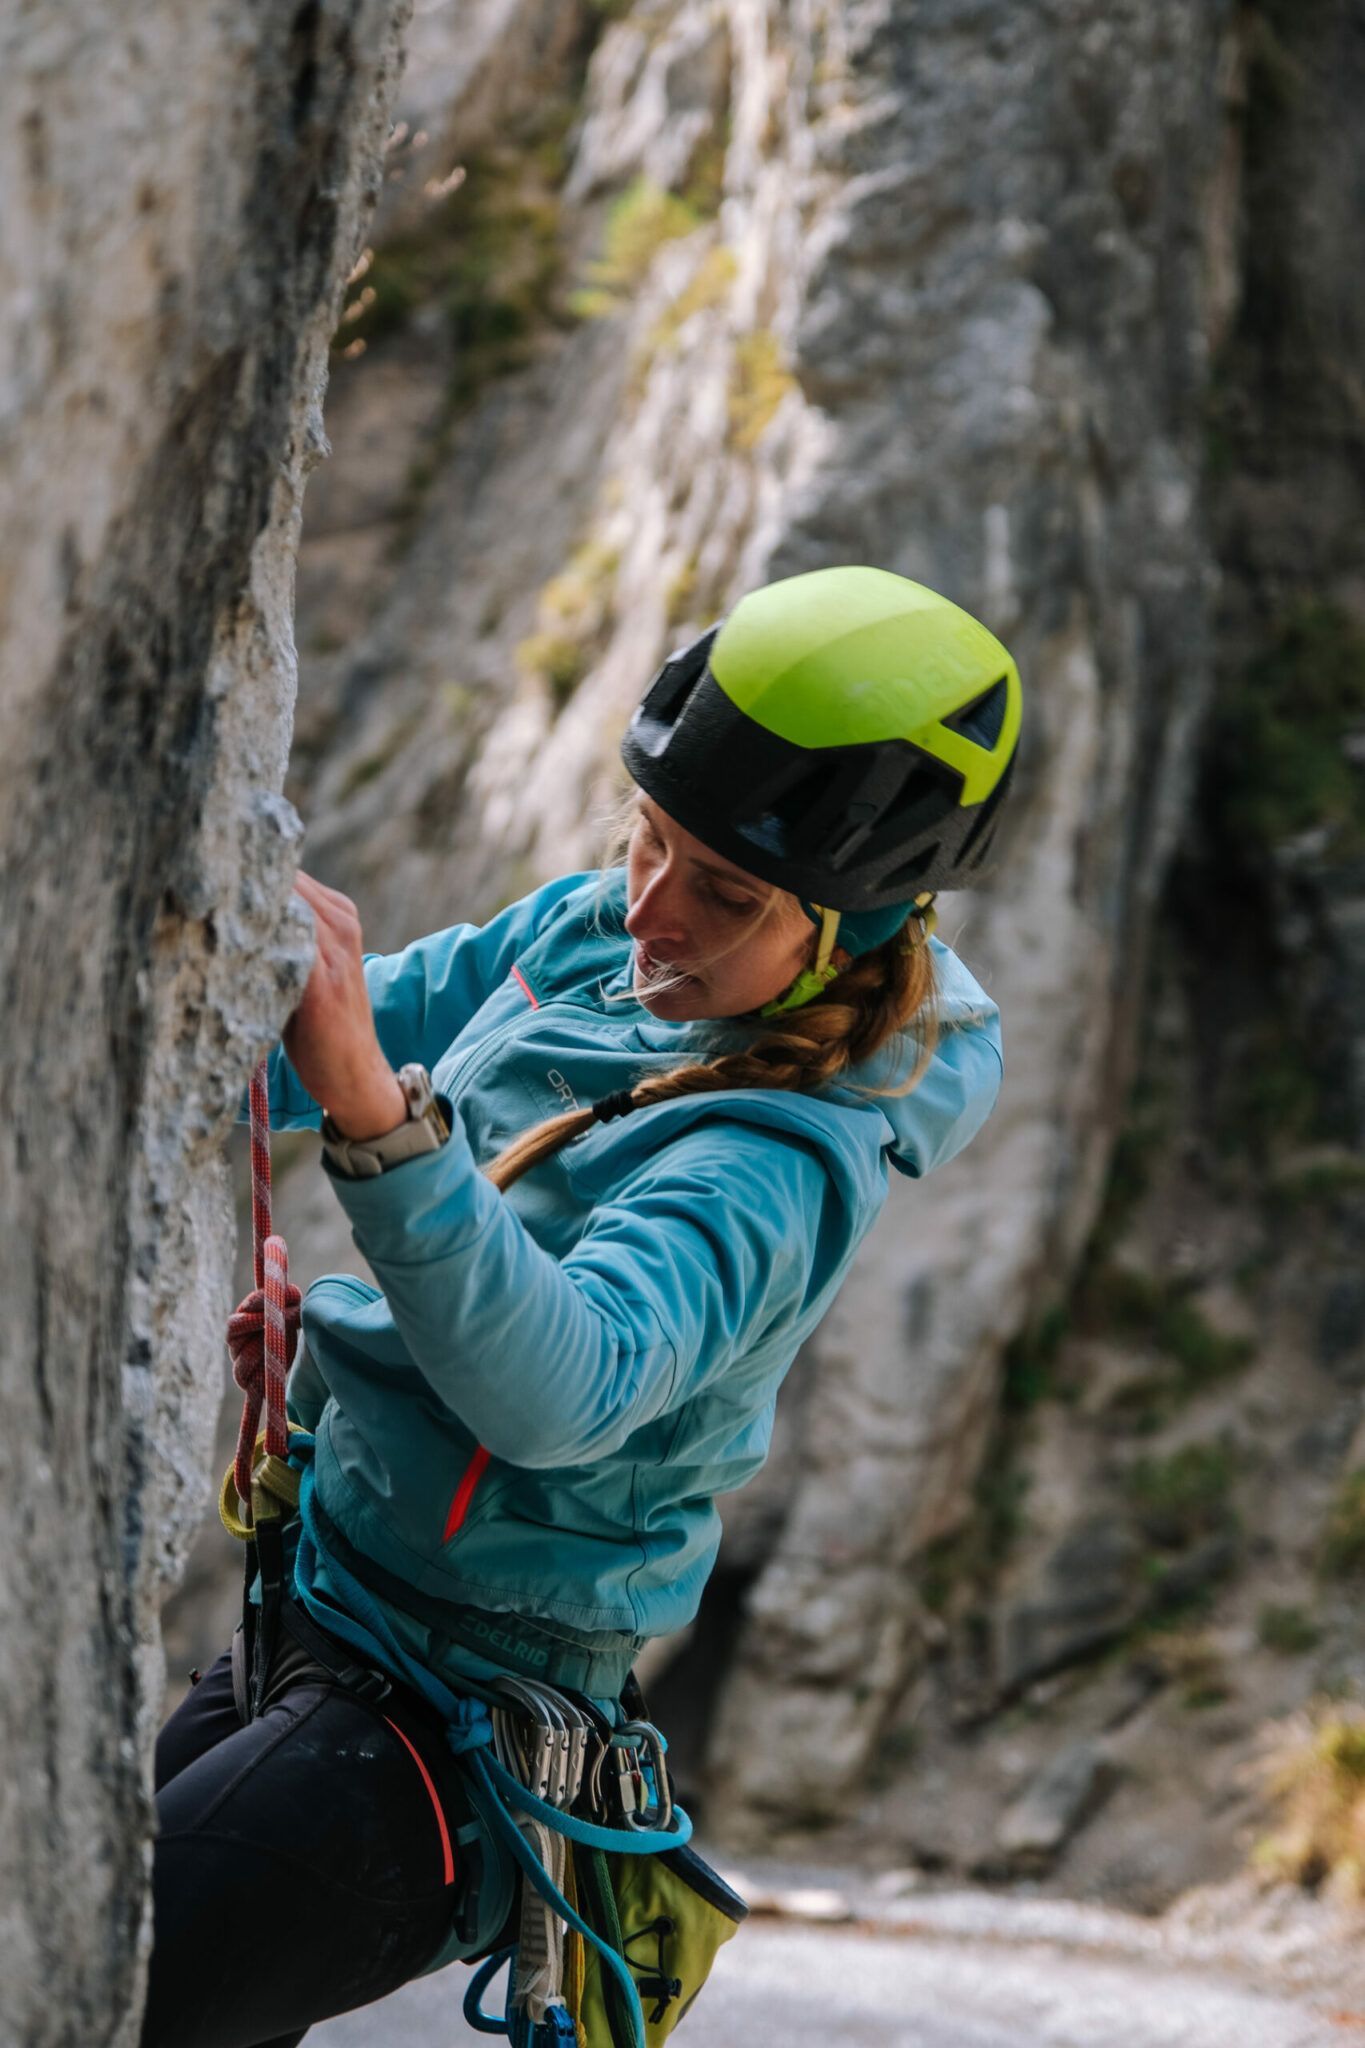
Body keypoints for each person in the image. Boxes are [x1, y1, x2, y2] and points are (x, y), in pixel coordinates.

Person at [142, 565, 1021, 2048]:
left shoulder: (772, 1165)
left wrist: (375, 1114)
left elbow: (567, 1389)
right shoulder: (590, 943)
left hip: (441, 1736)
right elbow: (302, 1040)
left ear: (854, 923)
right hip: (316, 1620)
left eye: (724, 892)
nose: (649, 908)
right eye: (649, 839)